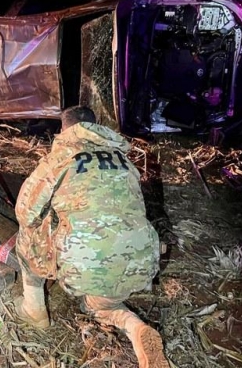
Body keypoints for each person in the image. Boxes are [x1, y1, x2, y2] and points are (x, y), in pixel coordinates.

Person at [13, 105, 169, 368]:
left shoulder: (61, 157)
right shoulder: (125, 161)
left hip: (86, 261)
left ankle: (34, 310)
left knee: (26, 237)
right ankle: (135, 327)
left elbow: (25, 213)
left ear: (65, 129)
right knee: (99, 305)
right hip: (140, 259)